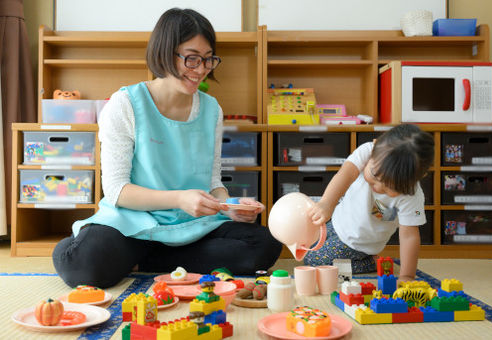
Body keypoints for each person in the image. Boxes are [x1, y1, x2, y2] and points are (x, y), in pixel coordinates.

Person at [52, 8, 282, 289]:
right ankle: (157, 256)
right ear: (164, 52)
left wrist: (229, 205)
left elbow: (212, 182)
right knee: (85, 264)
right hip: (133, 223)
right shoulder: (124, 104)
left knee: (265, 245)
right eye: (191, 58)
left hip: (190, 225)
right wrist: (178, 199)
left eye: (208, 59)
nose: (201, 69)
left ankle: (152, 259)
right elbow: (116, 190)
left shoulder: (211, 110)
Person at [305, 124, 434, 282]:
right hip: (339, 220)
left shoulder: (411, 194)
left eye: (390, 187)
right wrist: (327, 203)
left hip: (359, 242)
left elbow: (409, 236)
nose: (378, 187)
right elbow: (345, 174)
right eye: (374, 175)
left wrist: (407, 275)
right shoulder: (368, 150)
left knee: (313, 260)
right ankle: (368, 257)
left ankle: (369, 262)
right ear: (375, 147)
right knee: (306, 241)